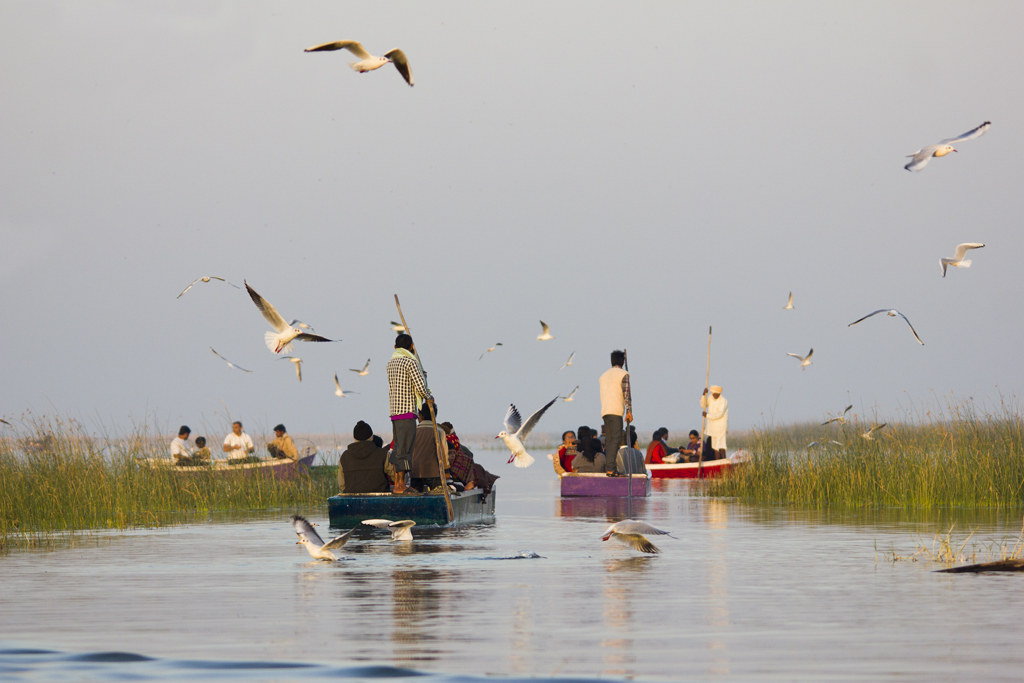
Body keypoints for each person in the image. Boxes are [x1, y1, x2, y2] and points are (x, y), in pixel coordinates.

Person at [387, 334, 433, 494]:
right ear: (411, 347)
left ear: (395, 348)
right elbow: (420, 387)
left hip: (394, 412)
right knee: (405, 450)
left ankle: (399, 483)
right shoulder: (411, 362)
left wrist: (422, 374)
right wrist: (429, 397)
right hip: (406, 411)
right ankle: (400, 485)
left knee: (399, 447)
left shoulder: (391, 363)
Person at [440, 422, 500, 498]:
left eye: (453, 453)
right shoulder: (444, 466)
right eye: (449, 453)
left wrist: (465, 488)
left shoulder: (461, 459)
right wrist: (465, 488)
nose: (452, 456)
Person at [338, 420, 395, 493]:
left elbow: (342, 484)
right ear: (371, 437)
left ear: (354, 438)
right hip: (380, 497)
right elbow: (395, 475)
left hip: (351, 499)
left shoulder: (344, 457)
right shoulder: (383, 454)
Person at [599, 350, 632, 475]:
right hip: (616, 410)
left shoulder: (604, 375)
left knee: (610, 439)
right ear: (623, 361)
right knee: (616, 438)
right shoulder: (623, 374)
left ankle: (610, 467)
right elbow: (627, 395)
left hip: (605, 410)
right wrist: (629, 411)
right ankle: (611, 468)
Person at [410, 402, 449, 493]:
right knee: (437, 497)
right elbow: (444, 454)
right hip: (434, 472)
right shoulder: (439, 431)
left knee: (415, 499)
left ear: (421, 416)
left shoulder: (413, 431)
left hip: (416, 472)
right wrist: (446, 471)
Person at [701, 385, 729, 460]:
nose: (715, 395)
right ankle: (717, 462)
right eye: (714, 394)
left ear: (720, 393)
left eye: (717, 394)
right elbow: (703, 405)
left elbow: (720, 414)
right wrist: (704, 395)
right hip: (712, 427)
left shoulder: (723, 401)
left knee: (721, 446)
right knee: (715, 447)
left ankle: (723, 461)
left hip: (720, 427)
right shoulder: (710, 397)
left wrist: (707, 415)